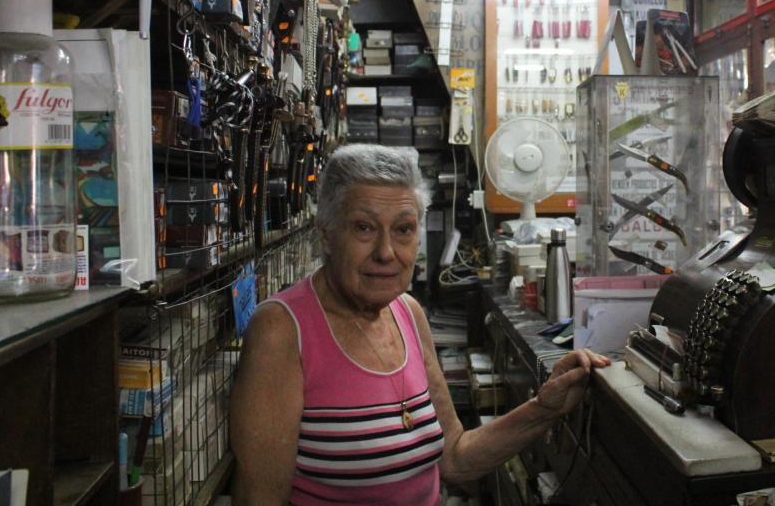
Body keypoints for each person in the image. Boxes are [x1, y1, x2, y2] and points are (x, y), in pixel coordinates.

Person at [230, 144, 610, 505]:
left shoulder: (407, 313)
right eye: (364, 228)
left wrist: (544, 407)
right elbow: (260, 498)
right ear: (327, 235)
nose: (385, 252)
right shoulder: (282, 330)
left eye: (404, 229)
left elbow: (456, 456)